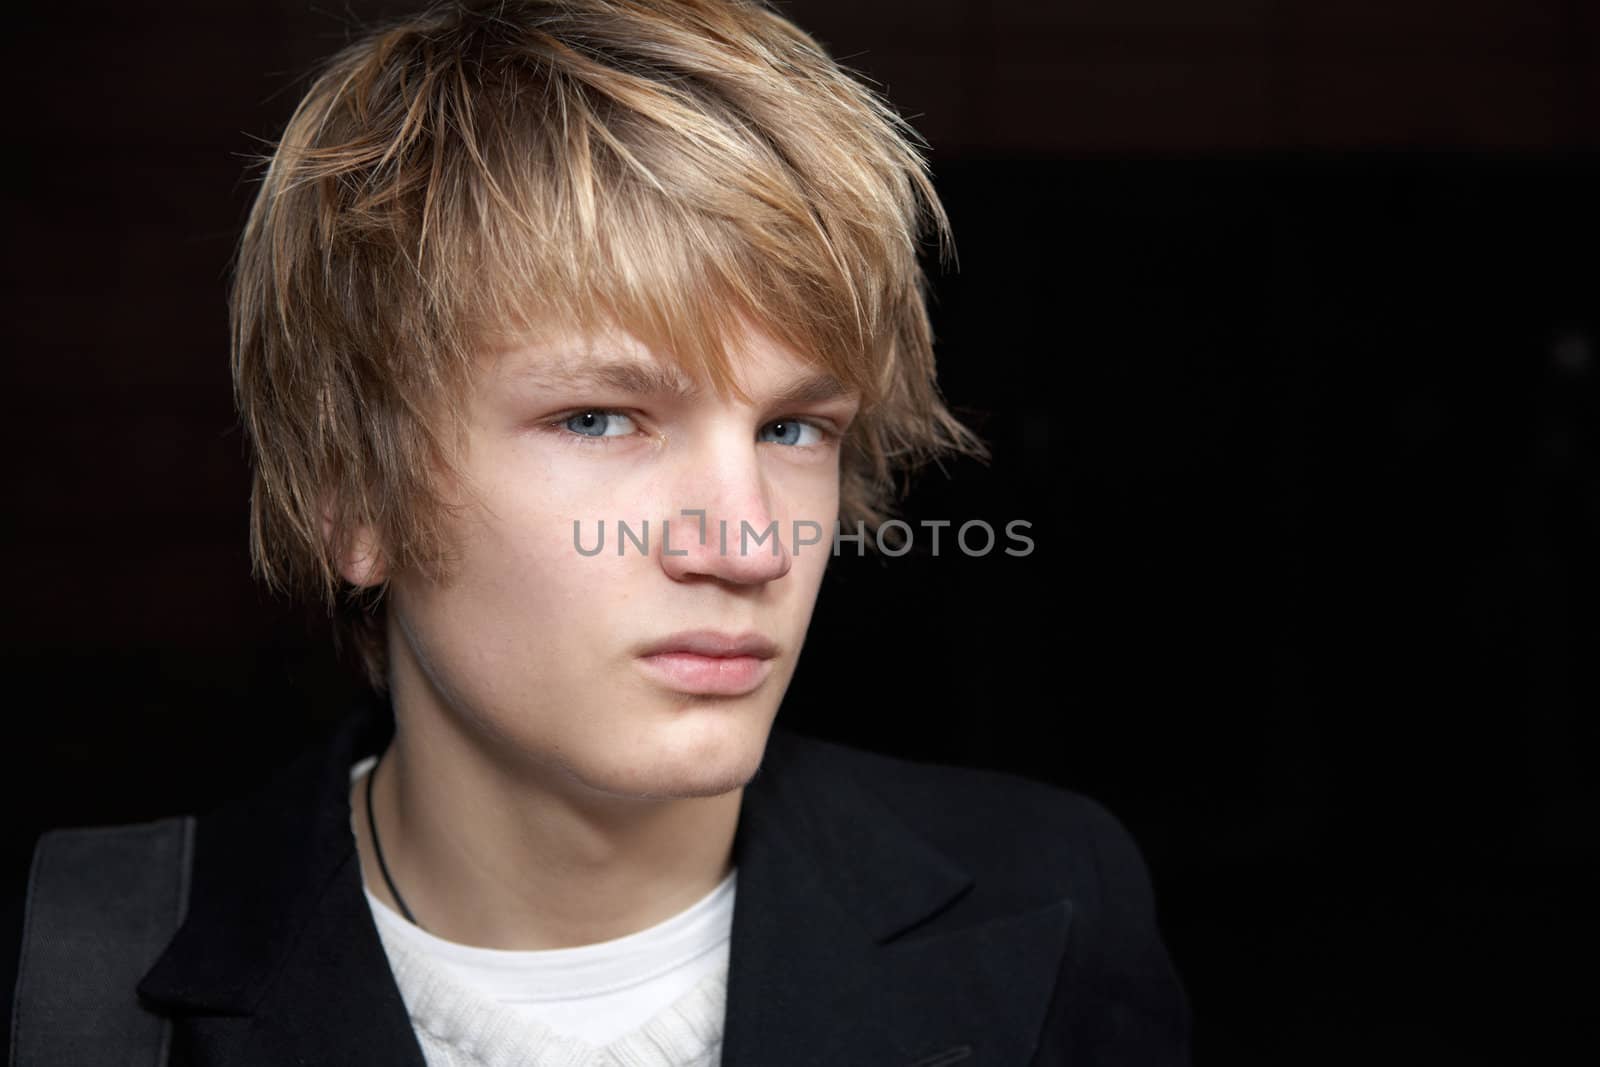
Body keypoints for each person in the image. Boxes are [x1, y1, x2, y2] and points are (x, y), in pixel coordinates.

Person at [6, 1, 1190, 1063]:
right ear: (348, 495)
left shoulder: (1052, 898)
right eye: (599, 417)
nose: (746, 544)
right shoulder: (76, 959)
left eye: (793, 429)